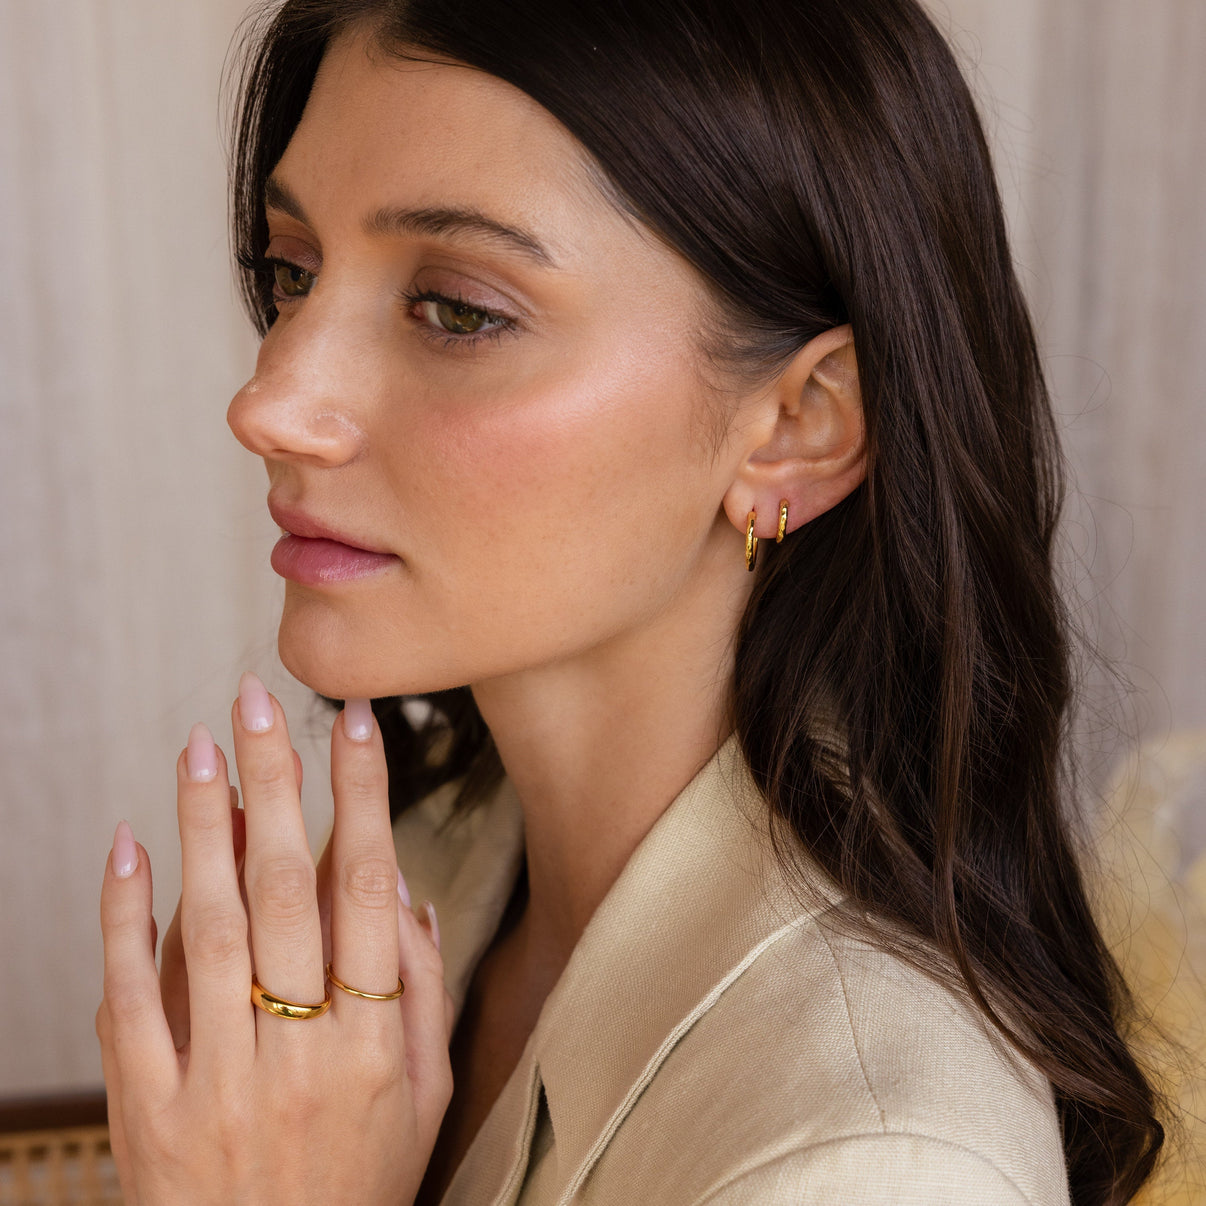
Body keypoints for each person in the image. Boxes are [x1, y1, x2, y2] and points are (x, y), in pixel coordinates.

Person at [96, 0, 1166, 1202]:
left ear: (800, 426)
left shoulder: (875, 1164)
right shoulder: (429, 862)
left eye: (459, 310)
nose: (271, 403)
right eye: (293, 273)